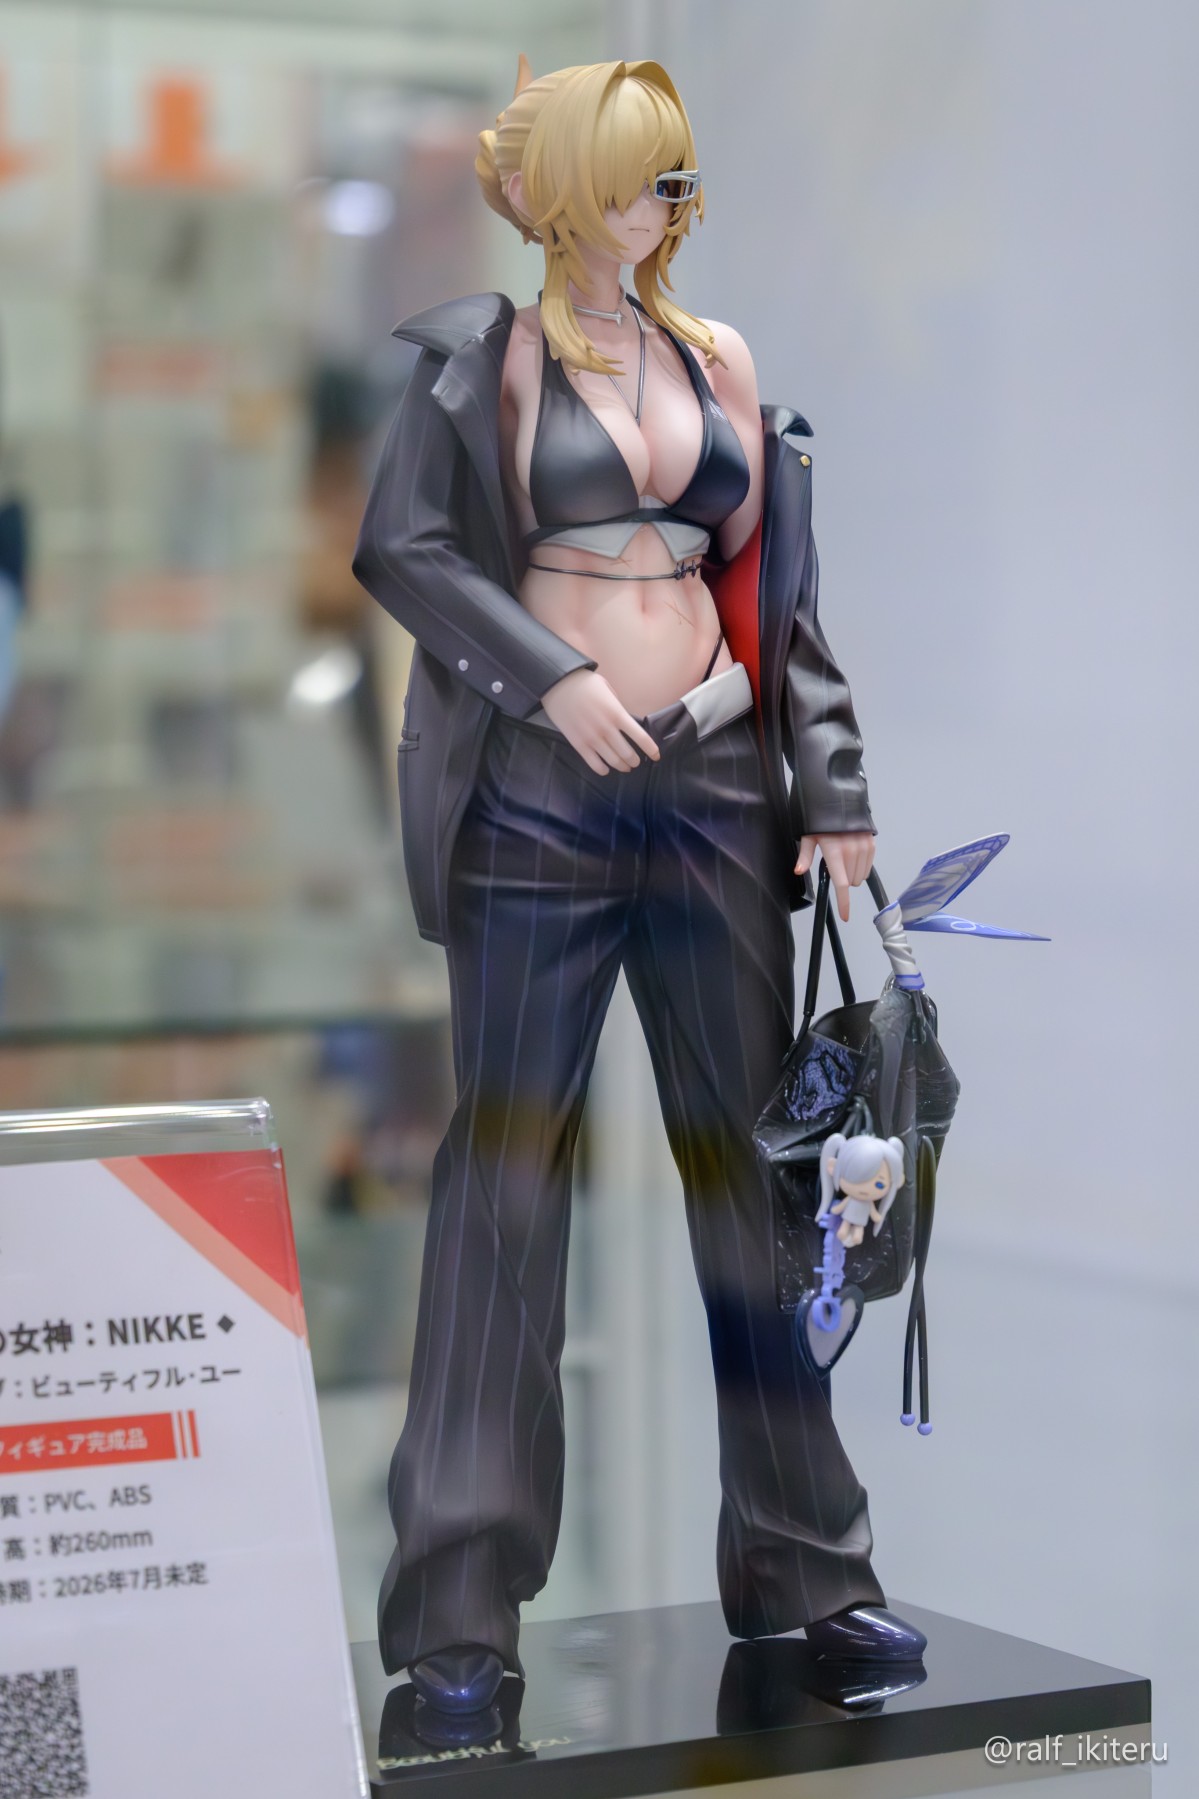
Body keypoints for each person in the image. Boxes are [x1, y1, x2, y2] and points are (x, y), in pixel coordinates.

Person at [353, 57, 926, 1719]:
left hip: (717, 784)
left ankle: (809, 1565)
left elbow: (780, 593)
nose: (660, 206)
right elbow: (406, 548)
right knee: (508, 1180)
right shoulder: (485, 360)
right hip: (540, 800)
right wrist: (548, 679)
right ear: (549, 191)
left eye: (672, 176)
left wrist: (833, 787)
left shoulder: (715, 356)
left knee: (756, 1175)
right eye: (629, 176)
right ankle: (459, 1617)